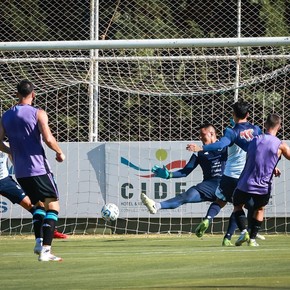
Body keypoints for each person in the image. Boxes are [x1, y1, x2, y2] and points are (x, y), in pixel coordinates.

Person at [0, 79, 65, 262]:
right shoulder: (38, 113)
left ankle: (38, 242)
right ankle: (46, 250)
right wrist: (59, 153)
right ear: (33, 94)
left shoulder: (6, 116)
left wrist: (10, 150)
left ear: (16, 94)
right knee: (53, 205)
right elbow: (49, 139)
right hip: (38, 168)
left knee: (38, 205)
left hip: (20, 171)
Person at [188, 100, 263, 245]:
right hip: (249, 175)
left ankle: (239, 231)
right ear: (248, 114)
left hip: (230, 176)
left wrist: (201, 148)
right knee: (254, 206)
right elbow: (261, 149)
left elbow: (221, 144)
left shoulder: (231, 131)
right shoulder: (257, 130)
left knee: (224, 201)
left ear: (233, 114)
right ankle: (247, 237)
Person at [141, 123, 227, 224]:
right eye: (199, 135)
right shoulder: (198, 153)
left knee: (243, 204)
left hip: (226, 183)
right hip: (208, 186)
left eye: (203, 134)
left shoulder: (225, 145)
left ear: (212, 134)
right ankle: (156, 206)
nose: (200, 137)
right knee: (186, 196)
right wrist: (169, 175)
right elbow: (185, 171)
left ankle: (246, 232)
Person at [233, 113, 290, 246]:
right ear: (279, 127)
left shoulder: (255, 139)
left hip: (245, 183)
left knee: (237, 206)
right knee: (259, 209)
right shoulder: (280, 145)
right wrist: (272, 168)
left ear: (265, 125)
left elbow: (255, 156)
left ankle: (243, 232)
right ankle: (252, 239)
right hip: (263, 186)